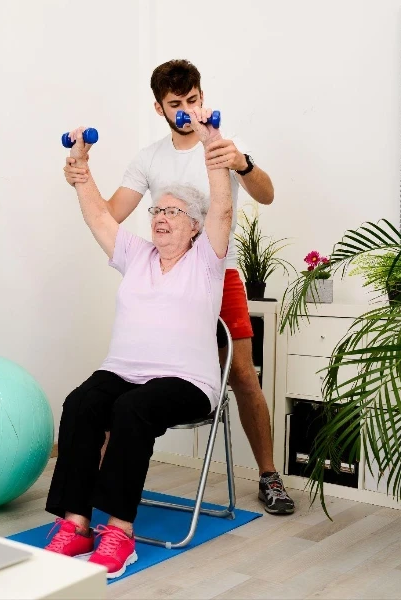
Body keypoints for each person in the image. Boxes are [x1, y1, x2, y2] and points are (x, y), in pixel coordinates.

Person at [63, 59, 295, 516]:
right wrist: (79, 178)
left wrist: (242, 164)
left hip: (214, 273)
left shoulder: (223, 146)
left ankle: (269, 476)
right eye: (176, 104)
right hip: (165, 275)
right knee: (124, 384)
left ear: (202, 97)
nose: (187, 109)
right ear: (159, 108)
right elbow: (109, 213)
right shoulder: (149, 158)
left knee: (244, 375)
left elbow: (266, 194)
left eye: (193, 99)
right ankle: (97, 492)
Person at [44, 114, 230, 579]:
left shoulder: (207, 261)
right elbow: (99, 215)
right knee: (82, 402)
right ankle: (77, 524)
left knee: (131, 409)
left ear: (194, 227)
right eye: (156, 211)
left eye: (173, 213)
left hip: (186, 382)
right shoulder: (136, 255)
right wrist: (80, 169)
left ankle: (120, 533)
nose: (161, 219)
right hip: (125, 370)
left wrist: (212, 145)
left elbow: (223, 208)